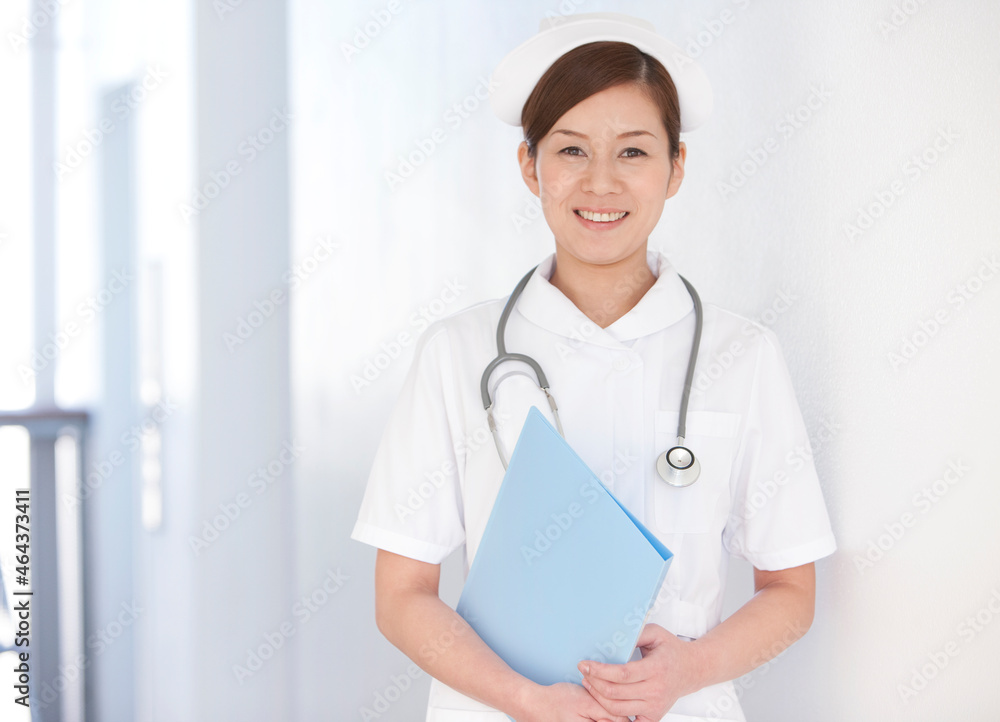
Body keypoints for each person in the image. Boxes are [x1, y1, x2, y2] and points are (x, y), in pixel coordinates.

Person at [351, 12, 836, 722]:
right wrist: (522, 699)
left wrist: (688, 670)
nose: (601, 182)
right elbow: (400, 596)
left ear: (675, 167)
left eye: (633, 152)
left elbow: (791, 592)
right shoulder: (458, 351)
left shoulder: (744, 356)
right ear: (530, 166)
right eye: (571, 150)